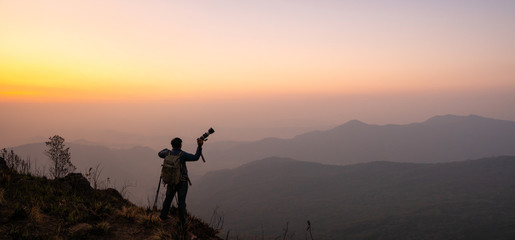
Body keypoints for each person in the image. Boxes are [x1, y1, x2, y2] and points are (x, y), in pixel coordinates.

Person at [158, 137, 203, 226]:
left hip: (171, 181)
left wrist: (166, 149)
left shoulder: (167, 153)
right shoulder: (182, 155)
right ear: (180, 145)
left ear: (172, 145)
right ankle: (182, 222)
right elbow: (196, 157)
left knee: (168, 199)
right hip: (182, 182)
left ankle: (163, 216)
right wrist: (199, 146)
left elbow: (159, 153)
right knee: (181, 202)